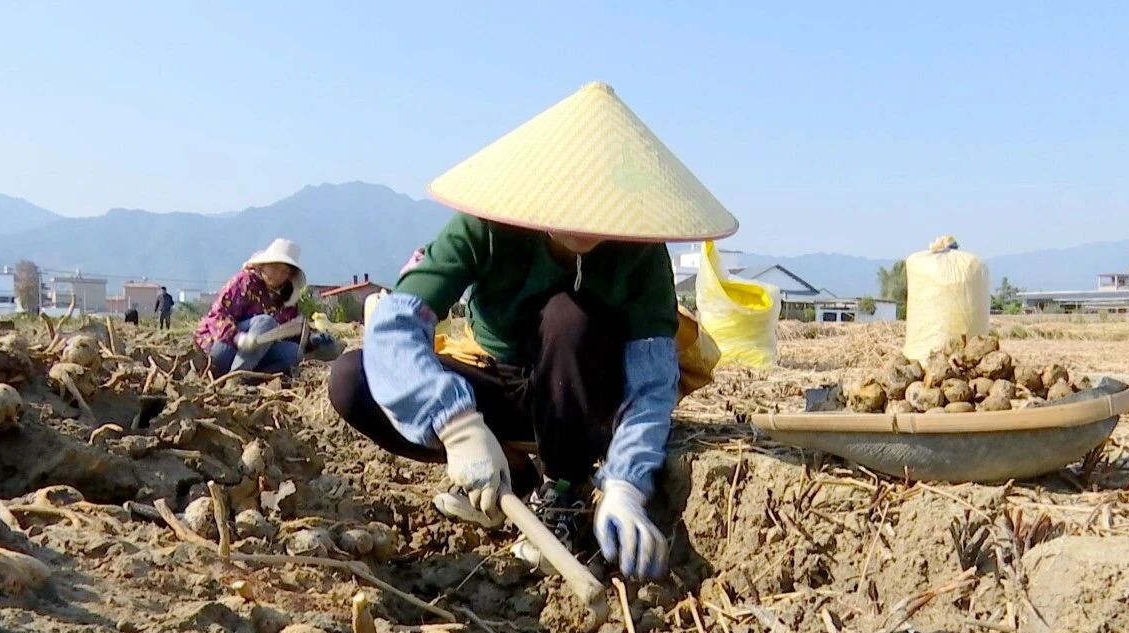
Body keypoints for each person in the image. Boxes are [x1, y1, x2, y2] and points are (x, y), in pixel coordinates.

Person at [327, 81, 736, 580]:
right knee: (352, 379)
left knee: (571, 316)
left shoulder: (641, 256)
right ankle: (510, 475)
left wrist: (626, 483)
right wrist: (457, 425)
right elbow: (395, 324)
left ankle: (564, 497)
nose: (584, 218)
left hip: (584, 401)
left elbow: (651, 386)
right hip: (497, 386)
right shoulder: (485, 227)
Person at [194, 238, 311, 378]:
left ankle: (252, 379)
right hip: (224, 346)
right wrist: (238, 337)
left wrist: (311, 337)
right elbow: (218, 316)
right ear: (263, 265)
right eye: (274, 268)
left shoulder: (286, 299)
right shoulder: (244, 282)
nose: (278, 275)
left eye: (284, 272)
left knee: (293, 352)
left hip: (256, 356)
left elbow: (290, 330)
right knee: (266, 323)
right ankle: (236, 379)